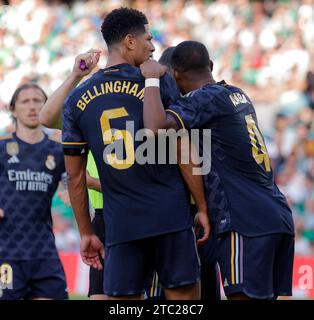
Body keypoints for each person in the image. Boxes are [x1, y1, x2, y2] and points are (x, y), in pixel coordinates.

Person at [62, 8, 210, 300]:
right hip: (170, 217)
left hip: (121, 225)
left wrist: (86, 232)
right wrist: (202, 207)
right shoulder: (158, 79)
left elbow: (75, 175)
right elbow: (182, 150)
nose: (153, 47)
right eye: (148, 38)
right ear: (130, 41)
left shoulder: (77, 99)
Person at [140, 40, 295, 300]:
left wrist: (152, 79)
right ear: (210, 65)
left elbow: (155, 127)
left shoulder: (204, 99)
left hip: (244, 221)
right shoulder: (237, 93)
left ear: (175, 73)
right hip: (275, 213)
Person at [39, 49, 107, 300]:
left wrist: (88, 182)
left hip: (132, 213)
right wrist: (74, 75)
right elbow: (48, 117)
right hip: (103, 219)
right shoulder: (87, 118)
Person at [0, 83, 68, 300]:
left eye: (38, 100)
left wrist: (71, 191)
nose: (32, 106)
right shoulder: (1, 149)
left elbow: (74, 185)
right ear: (13, 109)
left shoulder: (58, 152)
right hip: (6, 253)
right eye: (25, 101)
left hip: (44, 252)